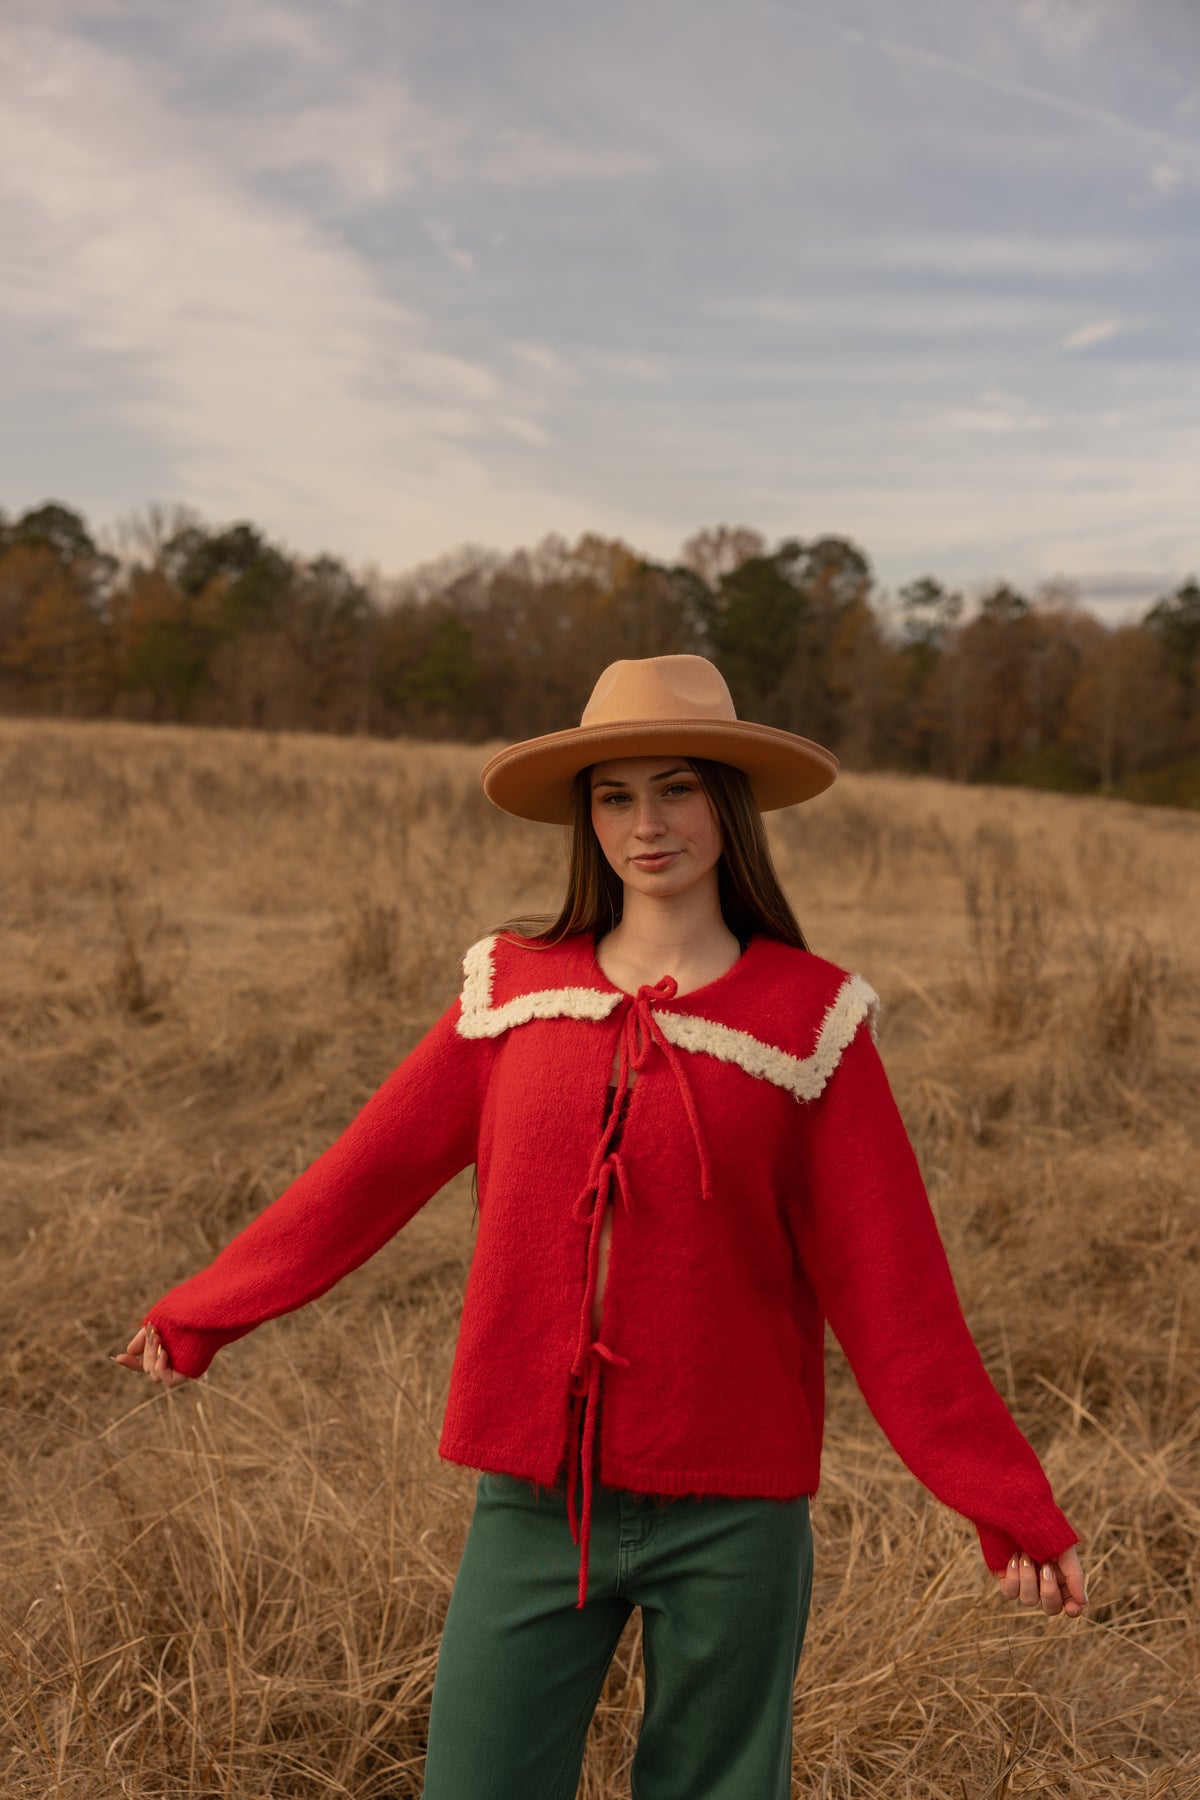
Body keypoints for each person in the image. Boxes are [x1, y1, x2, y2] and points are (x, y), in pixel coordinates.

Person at [114, 654, 1088, 1800]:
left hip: (736, 1511)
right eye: (615, 796)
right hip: (532, 1500)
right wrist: (206, 1310)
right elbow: (363, 1174)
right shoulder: (514, 993)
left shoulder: (811, 1021)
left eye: (676, 788)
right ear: (587, 816)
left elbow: (896, 1291)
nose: (647, 824)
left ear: (727, 801)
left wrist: (1004, 1501)